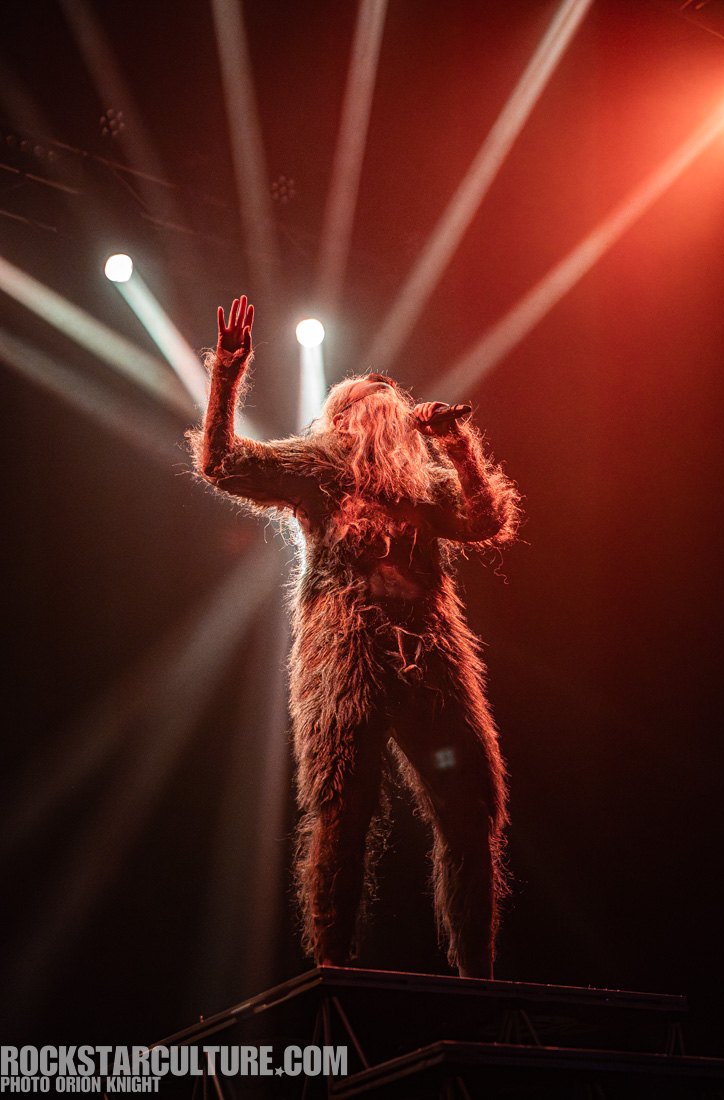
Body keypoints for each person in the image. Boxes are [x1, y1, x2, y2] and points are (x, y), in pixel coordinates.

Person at [190, 295, 522, 978]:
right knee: (343, 807)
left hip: (431, 658)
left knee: (472, 813)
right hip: (347, 656)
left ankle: (477, 978)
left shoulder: (422, 486)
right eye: (367, 408)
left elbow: (488, 521)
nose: (384, 418)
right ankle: (333, 968)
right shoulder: (319, 464)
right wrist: (225, 380)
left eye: (386, 408)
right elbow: (224, 466)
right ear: (340, 418)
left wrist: (457, 448)